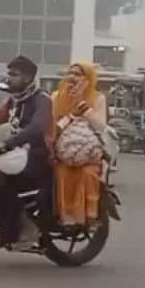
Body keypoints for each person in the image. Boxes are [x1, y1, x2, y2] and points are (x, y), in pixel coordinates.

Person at [0, 55, 53, 249]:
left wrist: (9, 143)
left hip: (36, 154)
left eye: (14, 74)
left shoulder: (41, 99)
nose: (9, 78)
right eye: (9, 73)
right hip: (17, 152)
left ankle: (24, 228)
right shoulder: (15, 100)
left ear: (28, 78)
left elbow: (37, 128)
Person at [50, 62, 108, 227]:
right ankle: (64, 217)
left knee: (86, 174)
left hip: (89, 156)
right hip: (62, 153)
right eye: (70, 73)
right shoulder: (56, 97)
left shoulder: (98, 98)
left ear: (88, 79)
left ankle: (86, 218)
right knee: (60, 174)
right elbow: (52, 127)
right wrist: (71, 116)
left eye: (77, 74)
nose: (72, 77)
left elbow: (100, 127)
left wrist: (83, 106)